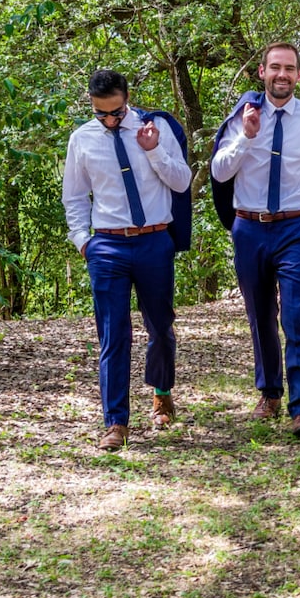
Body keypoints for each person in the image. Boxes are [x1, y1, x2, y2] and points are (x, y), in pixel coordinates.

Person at [210, 42, 300, 438]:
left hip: (294, 228)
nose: (282, 75)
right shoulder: (243, 116)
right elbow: (219, 172)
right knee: (260, 315)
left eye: (289, 69)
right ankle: (269, 391)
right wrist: (246, 137)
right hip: (249, 227)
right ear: (262, 73)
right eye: (275, 68)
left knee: (296, 314)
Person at [61, 69, 193, 451]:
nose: (109, 121)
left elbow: (181, 181)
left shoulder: (156, 128)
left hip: (154, 242)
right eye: (101, 113)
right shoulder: (82, 139)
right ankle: (115, 422)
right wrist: (83, 241)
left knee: (161, 327)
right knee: (113, 335)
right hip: (107, 247)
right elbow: (74, 196)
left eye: (116, 112)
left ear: (127, 99)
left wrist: (152, 149)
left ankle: (162, 391)